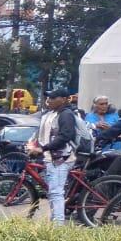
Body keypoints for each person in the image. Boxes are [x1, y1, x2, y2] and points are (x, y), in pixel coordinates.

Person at [28, 88, 79, 224]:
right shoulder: (51, 114)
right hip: (52, 158)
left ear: (63, 99)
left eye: (52, 98)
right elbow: (43, 134)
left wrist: (43, 148)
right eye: (48, 98)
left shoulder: (66, 114)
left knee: (56, 192)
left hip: (61, 159)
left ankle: (58, 226)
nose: (48, 100)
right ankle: (55, 220)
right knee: (53, 192)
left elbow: (65, 136)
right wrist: (34, 145)